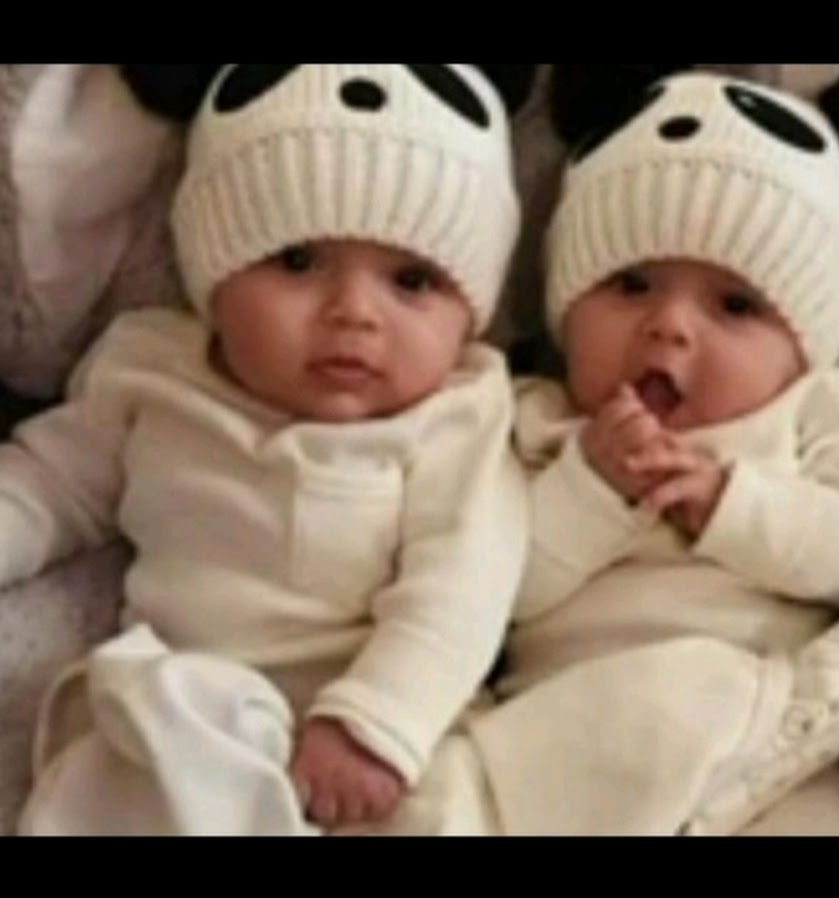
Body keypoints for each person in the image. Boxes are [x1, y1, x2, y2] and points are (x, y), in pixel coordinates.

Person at [8, 63, 529, 836]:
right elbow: (54, 483)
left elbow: (465, 585)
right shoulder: (152, 371)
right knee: (125, 764)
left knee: (458, 806)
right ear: (213, 278)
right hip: (191, 707)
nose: (354, 312)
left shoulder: (459, 415)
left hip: (380, 734)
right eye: (297, 262)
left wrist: (378, 722)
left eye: (412, 280)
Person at [472, 71, 839, 835]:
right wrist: (588, 492)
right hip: (575, 737)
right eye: (632, 284)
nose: (668, 325)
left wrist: (734, 506)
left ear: (805, 351)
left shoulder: (820, 413)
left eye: (734, 304)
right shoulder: (531, 420)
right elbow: (483, 589)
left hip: (768, 745)